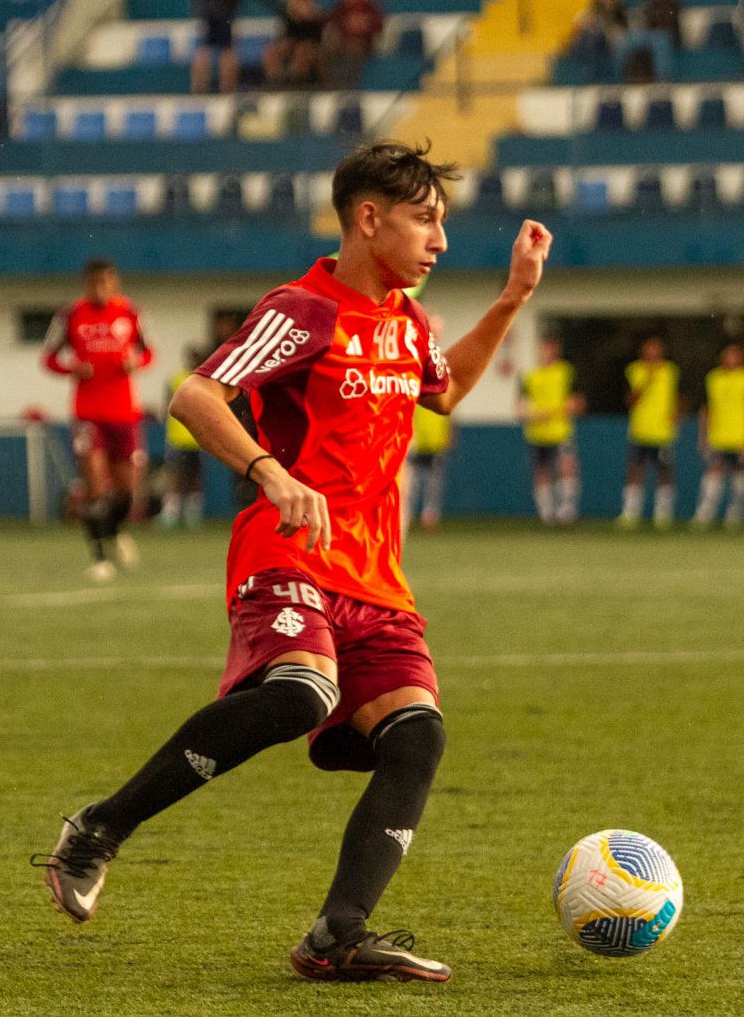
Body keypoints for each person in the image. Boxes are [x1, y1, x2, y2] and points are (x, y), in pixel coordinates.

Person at [35, 140, 553, 984]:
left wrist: (511, 299)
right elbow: (197, 395)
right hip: (287, 551)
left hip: (375, 576)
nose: (440, 241)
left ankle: (336, 937)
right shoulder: (304, 309)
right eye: (426, 220)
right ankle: (99, 828)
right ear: (368, 218)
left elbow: (444, 392)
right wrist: (270, 473)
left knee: (417, 736)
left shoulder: (407, 322)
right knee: (301, 690)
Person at [41, 259, 155, 579]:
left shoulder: (131, 313)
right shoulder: (70, 315)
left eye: (106, 283)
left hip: (124, 413)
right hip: (87, 414)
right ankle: (100, 557)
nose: (100, 289)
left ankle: (116, 533)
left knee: (128, 490)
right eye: (94, 283)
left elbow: (148, 352)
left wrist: (136, 364)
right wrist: (71, 369)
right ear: (86, 284)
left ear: (115, 283)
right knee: (93, 485)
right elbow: (48, 358)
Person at [191, 0, 280, 94]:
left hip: (209, 10)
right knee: (227, 50)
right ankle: (227, 88)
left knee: (206, 48)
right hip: (221, 12)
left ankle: (198, 87)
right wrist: (283, 8)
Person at [693, 343, 744, 529]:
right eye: (728, 356)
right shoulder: (713, 378)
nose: (731, 360)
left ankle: (735, 514)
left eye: (735, 356)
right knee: (713, 474)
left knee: (741, 481)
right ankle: (705, 514)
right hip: (717, 437)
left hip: (740, 438)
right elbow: (705, 410)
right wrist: (702, 436)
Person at [518, 335, 584, 525]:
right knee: (541, 472)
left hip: (560, 432)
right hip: (537, 434)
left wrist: (552, 412)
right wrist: (533, 415)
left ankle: (567, 509)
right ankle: (546, 513)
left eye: (551, 347)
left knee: (566, 468)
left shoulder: (566, 372)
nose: (547, 351)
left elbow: (578, 403)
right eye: (544, 346)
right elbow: (520, 407)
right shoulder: (529, 374)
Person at [619, 336, 679, 529]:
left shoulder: (670, 371)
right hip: (640, 430)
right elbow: (631, 400)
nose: (653, 355)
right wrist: (647, 381)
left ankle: (663, 515)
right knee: (635, 471)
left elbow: (675, 398)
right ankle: (630, 513)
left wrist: (674, 414)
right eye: (649, 350)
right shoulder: (634, 370)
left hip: (663, 432)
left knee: (664, 473)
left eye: (656, 351)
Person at [402, 314, 453, 534]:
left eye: (437, 329)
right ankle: (406, 515)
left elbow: (451, 400)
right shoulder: (409, 357)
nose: (434, 332)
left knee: (433, 480)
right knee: (409, 481)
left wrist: (450, 430)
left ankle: (429, 515)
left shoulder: (442, 363)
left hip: (435, 434)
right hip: (413, 434)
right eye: (431, 328)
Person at [159, 347, 206, 530]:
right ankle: (171, 514)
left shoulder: (204, 381)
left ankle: (192, 515)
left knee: (193, 478)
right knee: (176, 477)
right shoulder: (177, 380)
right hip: (180, 438)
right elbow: (166, 408)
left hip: (198, 439)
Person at [619, 0, 683, 83]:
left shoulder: (675, 1)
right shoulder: (650, 1)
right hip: (649, 34)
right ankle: (621, 77)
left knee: (660, 40)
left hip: (667, 36)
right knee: (627, 39)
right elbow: (645, 20)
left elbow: (667, 23)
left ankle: (663, 80)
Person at [264, 0, 326, 88]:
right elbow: (287, 34)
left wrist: (300, 12)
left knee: (302, 51)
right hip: (292, 41)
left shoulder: (310, 7)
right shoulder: (287, 11)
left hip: (311, 42)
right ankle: (274, 82)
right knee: (271, 52)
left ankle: (298, 83)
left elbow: (313, 30)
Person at [325, 0, 384, 88]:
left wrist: (364, 25)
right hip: (342, 41)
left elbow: (378, 26)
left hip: (364, 43)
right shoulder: (341, 7)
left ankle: (350, 83)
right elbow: (330, 21)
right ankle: (329, 83)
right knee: (324, 50)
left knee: (354, 48)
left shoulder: (370, 7)